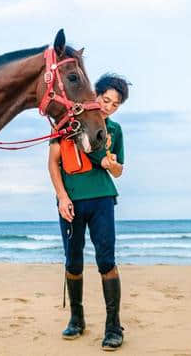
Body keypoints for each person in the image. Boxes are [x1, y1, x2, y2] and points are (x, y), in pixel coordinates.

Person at [48, 73, 130, 351]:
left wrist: (112, 165)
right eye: (105, 100)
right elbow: (53, 164)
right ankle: (76, 319)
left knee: (106, 260)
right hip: (71, 201)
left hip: (103, 199)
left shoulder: (116, 130)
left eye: (114, 105)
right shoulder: (65, 123)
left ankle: (113, 327)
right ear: (95, 95)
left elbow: (119, 171)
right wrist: (61, 197)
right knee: (73, 261)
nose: (108, 107)